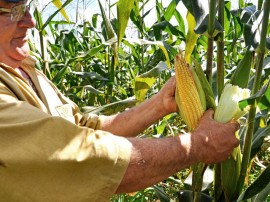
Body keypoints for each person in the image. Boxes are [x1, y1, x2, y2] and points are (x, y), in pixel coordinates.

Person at [0, 0, 240, 201]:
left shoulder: (27, 70)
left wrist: (160, 104)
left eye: (27, 6)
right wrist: (199, 144)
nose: (30, 21)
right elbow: (86, 160)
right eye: (14, 11)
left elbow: (82, 129)